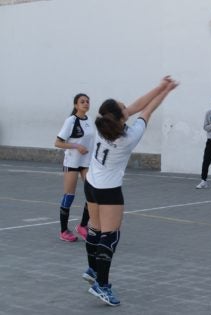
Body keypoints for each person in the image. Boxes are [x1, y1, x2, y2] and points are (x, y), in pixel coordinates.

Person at [82, 76, 178, 306]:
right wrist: (166, 91)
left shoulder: (99, 124)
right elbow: (148, 109)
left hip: (91, 184)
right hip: (109, 191)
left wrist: (160, 86)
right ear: (121, 116)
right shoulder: (128, 137)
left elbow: (136, 106)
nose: (128, 106)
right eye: (124, 106)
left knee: (94, 229)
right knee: (110, 235)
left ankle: (92, 269)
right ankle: (102, 286)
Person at [54, 93, 95, 242]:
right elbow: (57, 143)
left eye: (87, 101)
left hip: (86, 163)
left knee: (93, 193)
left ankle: (83, 226)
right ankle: (64, 231)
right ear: (76, 105)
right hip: (72, 162)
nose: (86, 103)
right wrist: (76, 145)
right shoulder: (71, 121)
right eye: (82, 102)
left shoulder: (90, 120)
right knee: (69, 196)